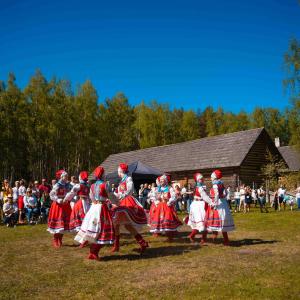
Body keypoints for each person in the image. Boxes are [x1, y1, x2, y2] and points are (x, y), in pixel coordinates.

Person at [75, 166, 114, 260]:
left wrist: (95, 202)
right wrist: (117, 202)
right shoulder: (105, 185)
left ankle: (93, 252)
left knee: (94, 228)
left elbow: (91, 196)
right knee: (103, 229)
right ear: (103, 174)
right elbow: (111, 196)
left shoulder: (92, 185)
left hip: (94, 207)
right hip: (102, 208)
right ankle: (93, 251)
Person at [112, 163, 148, 253]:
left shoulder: (128, 178)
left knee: (127, 225)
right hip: (121, 202)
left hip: (127, 202)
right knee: (117, 224)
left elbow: (129, 190)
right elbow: (119, 192)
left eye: (118, 171)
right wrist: (115, 194)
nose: (118, 173)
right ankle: (116, 245)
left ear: (121, 171)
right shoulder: (121, 181)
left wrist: (121, 195)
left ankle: (142, 242)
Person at [149, 174, 182, 241]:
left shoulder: (170, 188)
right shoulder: (157, 189)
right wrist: (156, 201)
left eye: (162, 180)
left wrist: (169, 202)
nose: (161, 181)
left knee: (167, 219)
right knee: (159, 219)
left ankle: (169, 235)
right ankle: (158, 232)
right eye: (160, 180)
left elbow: (174, 196)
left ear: (166, 181)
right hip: (159, 206)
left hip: (167, 206)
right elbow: (152, 196)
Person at [206, 170, 235, 246]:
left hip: (218, 204)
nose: (211, 178)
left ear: (215, 177)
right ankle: (223, 239)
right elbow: (225, 193)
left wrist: (214, 204)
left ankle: (219, 238)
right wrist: (223, 198)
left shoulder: (215, 185)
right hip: (223, 203)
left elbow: (217, 195)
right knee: (222, 221)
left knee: (217, 220)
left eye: (212, 176)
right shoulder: (221, 183)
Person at [47, 170, 72, 248]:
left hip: (65, 204)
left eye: (67, 176)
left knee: (63, 224)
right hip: (58, 205)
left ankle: (60, 239)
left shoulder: (68, 185)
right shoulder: (57, 185)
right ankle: (55, 239)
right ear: (61, 177)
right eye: (65, 176)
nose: (66, 178)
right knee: (57, 223)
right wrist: (57, 199)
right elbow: (51, 194)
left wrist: (68, 198)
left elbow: (71, 193)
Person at [188, 173, 214, 244]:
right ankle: (193, 236)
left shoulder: (201, 187)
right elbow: (204, 197)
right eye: (200, 179)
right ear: (197, 180)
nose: (201, 180)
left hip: (201, 204)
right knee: (201, 222)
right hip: (198, 205)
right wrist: (211, 202)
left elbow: (205, 196)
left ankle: (202, 239)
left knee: (203, 222)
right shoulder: (199, 188)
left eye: (202, 179)